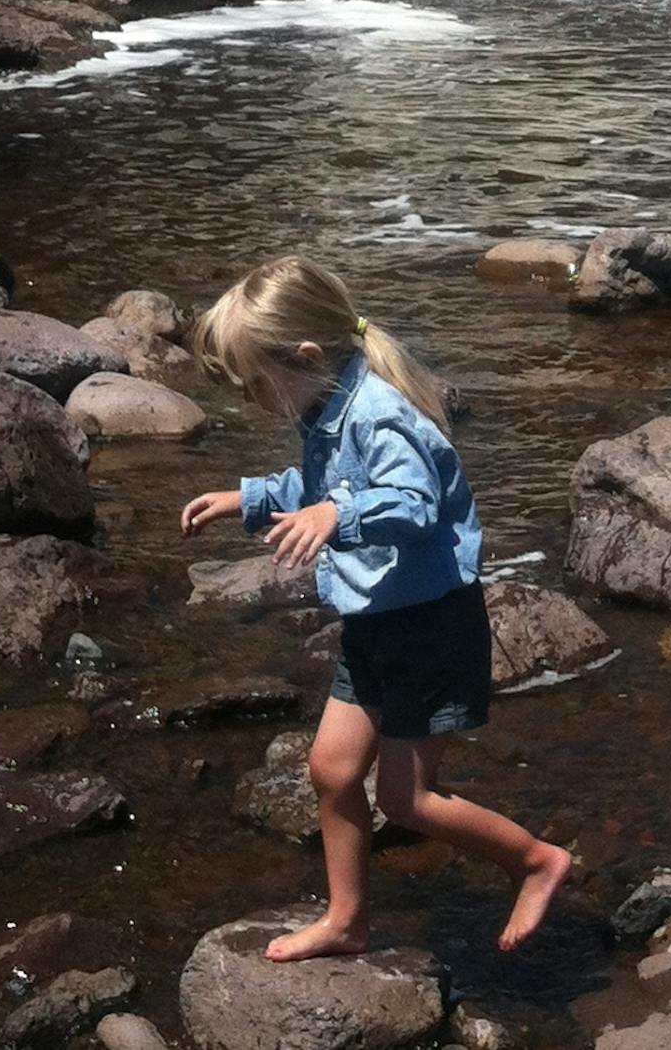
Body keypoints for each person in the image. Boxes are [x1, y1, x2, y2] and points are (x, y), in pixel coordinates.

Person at [180, 256, 572, 963]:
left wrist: (337, 512)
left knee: (406, 797)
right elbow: (323, 481)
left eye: (253, 385)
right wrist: (251, 498)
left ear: (305, 357)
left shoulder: (379, 411)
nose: (248, 401)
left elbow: (415, 502)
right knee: (331, 768)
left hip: (431, 623)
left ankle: (536, 860)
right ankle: (348, 919)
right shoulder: (328, 405)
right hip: (381, 618)